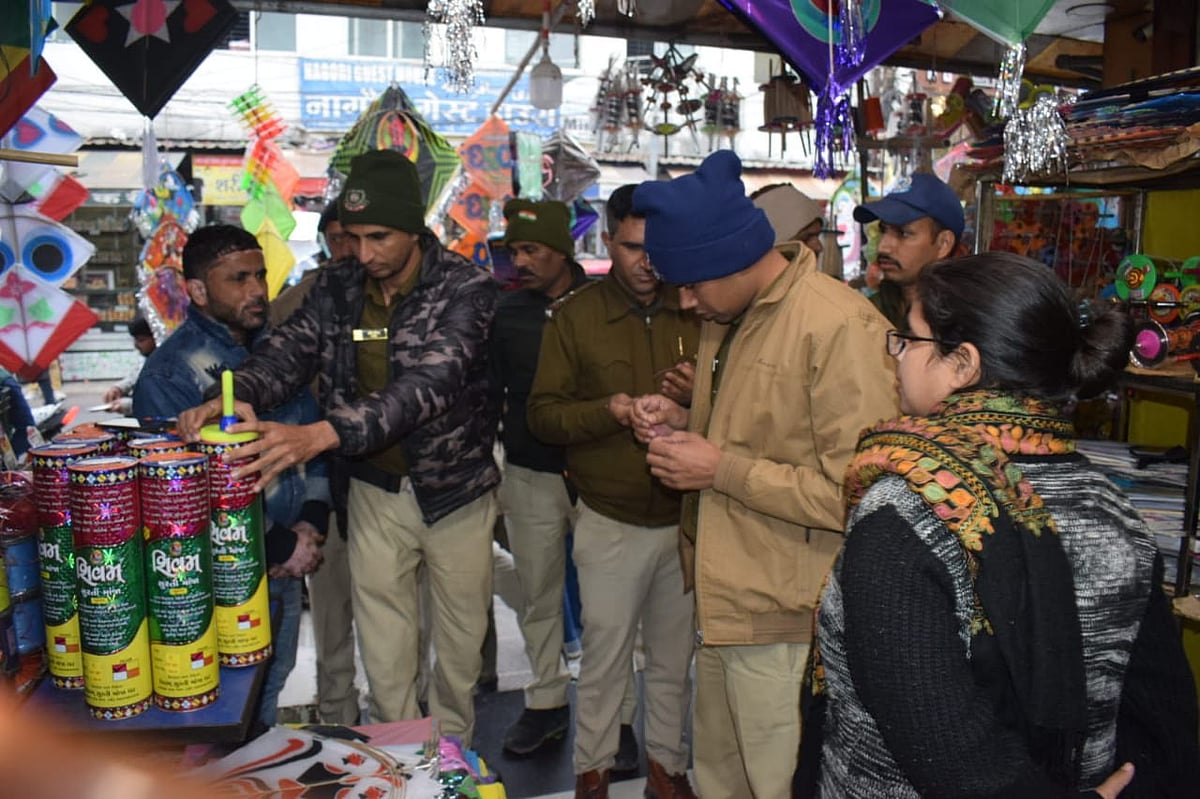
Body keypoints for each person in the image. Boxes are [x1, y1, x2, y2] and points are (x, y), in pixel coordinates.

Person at [796, 252, 1200, 798]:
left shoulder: (907, 512)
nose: (895, 359)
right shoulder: (1114, 507)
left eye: (908, 341)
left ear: (962, 364)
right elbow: (1164, 717)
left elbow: (951, 753)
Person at [176, 150, 500, 745]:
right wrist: (233, 393)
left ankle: (453, 761)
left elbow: (427, 385)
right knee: (386, 653)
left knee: (457, 652)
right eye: (353, 236)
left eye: (380, 236)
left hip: (456, 494)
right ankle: (404, 763)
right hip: (375, 492)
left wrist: (322, 434)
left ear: (414, 228)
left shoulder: (467, 289)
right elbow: (287, 355)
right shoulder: (336, 287)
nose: (366, 252)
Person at [630, 150, 898, 799]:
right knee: (723, 780)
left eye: (692, 284)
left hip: (788, 619)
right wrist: (685, 419)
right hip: (724, 601)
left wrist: (718, 467)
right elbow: (757, 428)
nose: (687, 302)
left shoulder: (841, 327)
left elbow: (861, 495)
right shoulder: (729, 314)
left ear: (735, 256)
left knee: (779, 783)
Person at [527, 183, 700, 799]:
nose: (647, 261)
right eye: (632, 248)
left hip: (684, 519)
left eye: (657, 248)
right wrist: (612, 409)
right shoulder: (575, 317)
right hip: (609, 521)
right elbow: (543, 416)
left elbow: (738, 409)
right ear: (608, 242)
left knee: (675, 665)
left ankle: (667, 772)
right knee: (602, 664)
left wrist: (692, 400)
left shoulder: (696, 307)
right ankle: (593, 776)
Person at [132, 224, 328, 729]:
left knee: (269, 689)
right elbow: (184, 497)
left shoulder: (280, 354)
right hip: (218, 580)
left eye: (260, 276)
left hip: (283, 566)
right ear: (197, 290)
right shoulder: (170, 374)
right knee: (222, 715)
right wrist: (281, 544)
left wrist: (310, 520)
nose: (257, 291)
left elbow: (308, 436)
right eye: (238, 279)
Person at [488, 197, 589, 755]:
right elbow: (493, 391)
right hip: (529, 473)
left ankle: (613, 715)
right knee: (538, 597)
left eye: (532, 250)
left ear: (562, 251)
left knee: (606, 604)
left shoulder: (600, 305)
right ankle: (546, 701)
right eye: (514, 250)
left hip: (597, 476)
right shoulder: (508, 313)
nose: (520, 261)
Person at [270, 200, 362, 725]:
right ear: (326, 240)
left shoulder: (389, 300)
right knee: (330, 614)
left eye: (359, 238)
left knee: (397, 616)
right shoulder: (296, 304)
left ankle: (402, 718)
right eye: (340, 238)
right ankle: (337, 716)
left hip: (380, 478)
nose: (350, 250)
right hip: (319, 481)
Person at [853, 172, 963, 328]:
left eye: (903, 233)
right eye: (883, 230)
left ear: (943, 244)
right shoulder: (866, 314)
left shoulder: (963, 324)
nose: (883, 247)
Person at [102, 316, 156, 415]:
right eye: (135, 340)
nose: (136, 345)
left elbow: (160, 403)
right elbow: (136, 376)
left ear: (156, 338)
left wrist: (129, 405)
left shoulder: (168, 365)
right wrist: (119, 388)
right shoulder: (149, 359)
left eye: (141, 340)